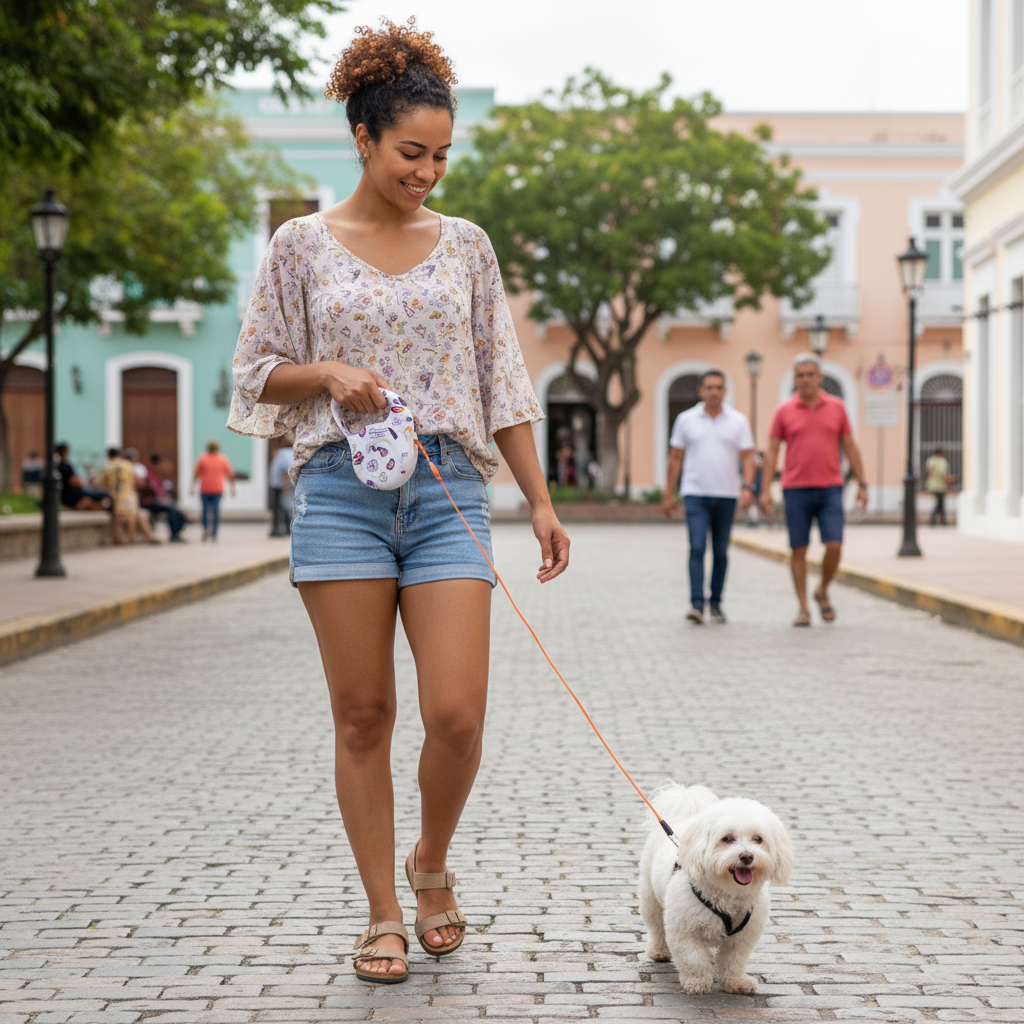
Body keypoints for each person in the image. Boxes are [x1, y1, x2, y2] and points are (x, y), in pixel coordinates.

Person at [227, 18, 569, 985]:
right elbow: (254, 373)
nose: (427, 171)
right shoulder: (300, 244)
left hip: (448, 489)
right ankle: (383, 910)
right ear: (364, 137)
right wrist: (328, 372)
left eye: (441, 155)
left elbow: (502, 380)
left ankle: (432, 861)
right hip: (340, 492)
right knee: (364, 714)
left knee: (456, 714)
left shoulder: (466, 246)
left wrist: (541, 502)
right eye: (411, 151)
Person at [759, 354, 868, 626]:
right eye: (800, 375)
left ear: (820, 378)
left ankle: (822, 589)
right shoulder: (784, 411)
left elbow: (850, 446)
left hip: (830, 488)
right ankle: (803, 607)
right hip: (795, 489)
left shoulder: (837, 407)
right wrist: (765, 490)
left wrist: (862, 483)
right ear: (794, 379)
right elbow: (772, 451)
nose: (806, 379)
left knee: (834, 545)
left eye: (810, 374)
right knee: (799, 549)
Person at [661, 369, 755, 624]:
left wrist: (748, 487)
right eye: (709, 387)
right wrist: (668, 493)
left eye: (718, 387)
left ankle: (715, 603)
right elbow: (675, 457)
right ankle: (696, 604)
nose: (714, 392)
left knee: (721, 551)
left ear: (725, 391)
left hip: (727, 494)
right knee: (697, 547)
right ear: (701, 391)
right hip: (695, 493)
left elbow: (748, 456)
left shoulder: (738, 421)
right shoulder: (686, 419)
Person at [97, 447, 158, 545]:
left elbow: (101, 483)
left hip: (114, 495)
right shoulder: (128, 465)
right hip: (128, 494)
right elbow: (136, 480)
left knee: (117, 516)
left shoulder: (109, 467)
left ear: (109, 456)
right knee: (132, 515)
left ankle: (117, 539)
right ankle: (131, 539)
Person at [191, 440, 235, 540]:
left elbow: (196, 474)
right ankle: (214, 533)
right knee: (215, 512)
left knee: (205, 511)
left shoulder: (203, 459)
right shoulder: (222, 459)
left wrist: (192, 487)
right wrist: (233, 489)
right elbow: (230, 475)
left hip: (206, 489)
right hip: (216, 489)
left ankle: (206, 530)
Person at [141, 453, 188, 542]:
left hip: (157, 501)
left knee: (178, 511)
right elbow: (150, 492)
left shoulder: (156, 476)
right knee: (171, 509)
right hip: (149, 502)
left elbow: (161, 491)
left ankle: (177, 533)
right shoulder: (148, 475)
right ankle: (174, 534)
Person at [54, 444, 110, 511]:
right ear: (64, 451)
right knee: (101, 495)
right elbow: (72, 481)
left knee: (93, 499)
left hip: (66, 495)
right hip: (72, 494)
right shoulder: (65, 466)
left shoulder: (57, 465)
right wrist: (84, 482)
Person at [268, 436, 295, 537]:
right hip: (280, 483)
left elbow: (285, 468)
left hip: (281, 484)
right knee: (285, 505)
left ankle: (287, 527)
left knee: (284, 505)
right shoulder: (290, 452)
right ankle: (285, 527)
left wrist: (285, 483)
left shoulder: (283, 453)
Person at [925, 448, 953, 526]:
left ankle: (940, 520)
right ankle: (936, 518)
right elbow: (943, 474)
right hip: (941, 485)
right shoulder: (942, 462)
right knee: (940, 503)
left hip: (932, 485)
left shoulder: (931, 460)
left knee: (940, 503)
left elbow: (927, 472)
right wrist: (949, 481)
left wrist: (927, 482)